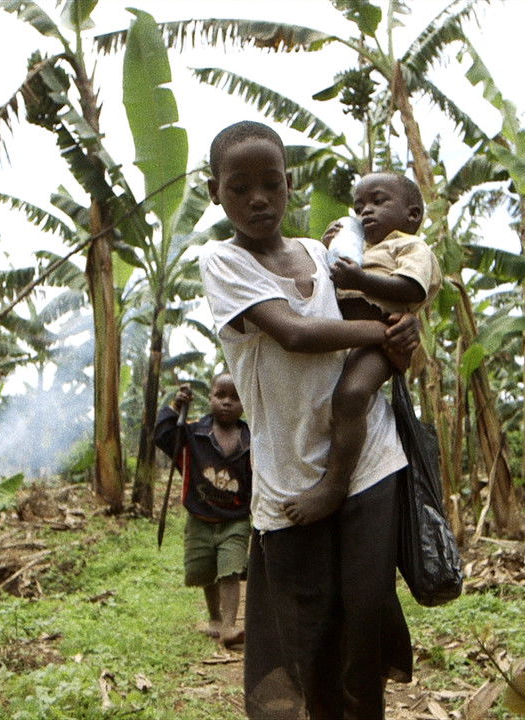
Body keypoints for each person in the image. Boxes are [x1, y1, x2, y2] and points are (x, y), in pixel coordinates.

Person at [198, 119, 418, 719]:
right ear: (214, 191)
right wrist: (386, 331)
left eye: (271, 183)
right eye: (239, 187)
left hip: (369, 456)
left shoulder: (324, 254)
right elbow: (295, 333)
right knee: (307, 633)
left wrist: (405, 331)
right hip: (293, 475)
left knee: (362, 623)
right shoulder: (222, 261)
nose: (258, 198)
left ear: (290, 183)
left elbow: (382, 316)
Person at [281, 172, 441, 526]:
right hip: (349, 338)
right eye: (359, 206)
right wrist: (328, 251)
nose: (366, 211)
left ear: (412, 215)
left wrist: (360, 279)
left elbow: (411, 289)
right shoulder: (361, 248)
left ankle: (335, 485)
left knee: (351, 396)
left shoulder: (410, 247)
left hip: (383, 338)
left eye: (378, 201)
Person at [154, 373, 251, 648]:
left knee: (230, 570)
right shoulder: (194, 432)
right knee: (206, 570)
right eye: (221, 396)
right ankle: (215, 618)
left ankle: (231, 627)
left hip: (235, 520)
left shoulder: (251, 439)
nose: (227, 403)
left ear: (245, 403)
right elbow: (163, 436)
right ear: (210, 398)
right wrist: (174, 407)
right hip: (200, 518)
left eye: (235, 397)